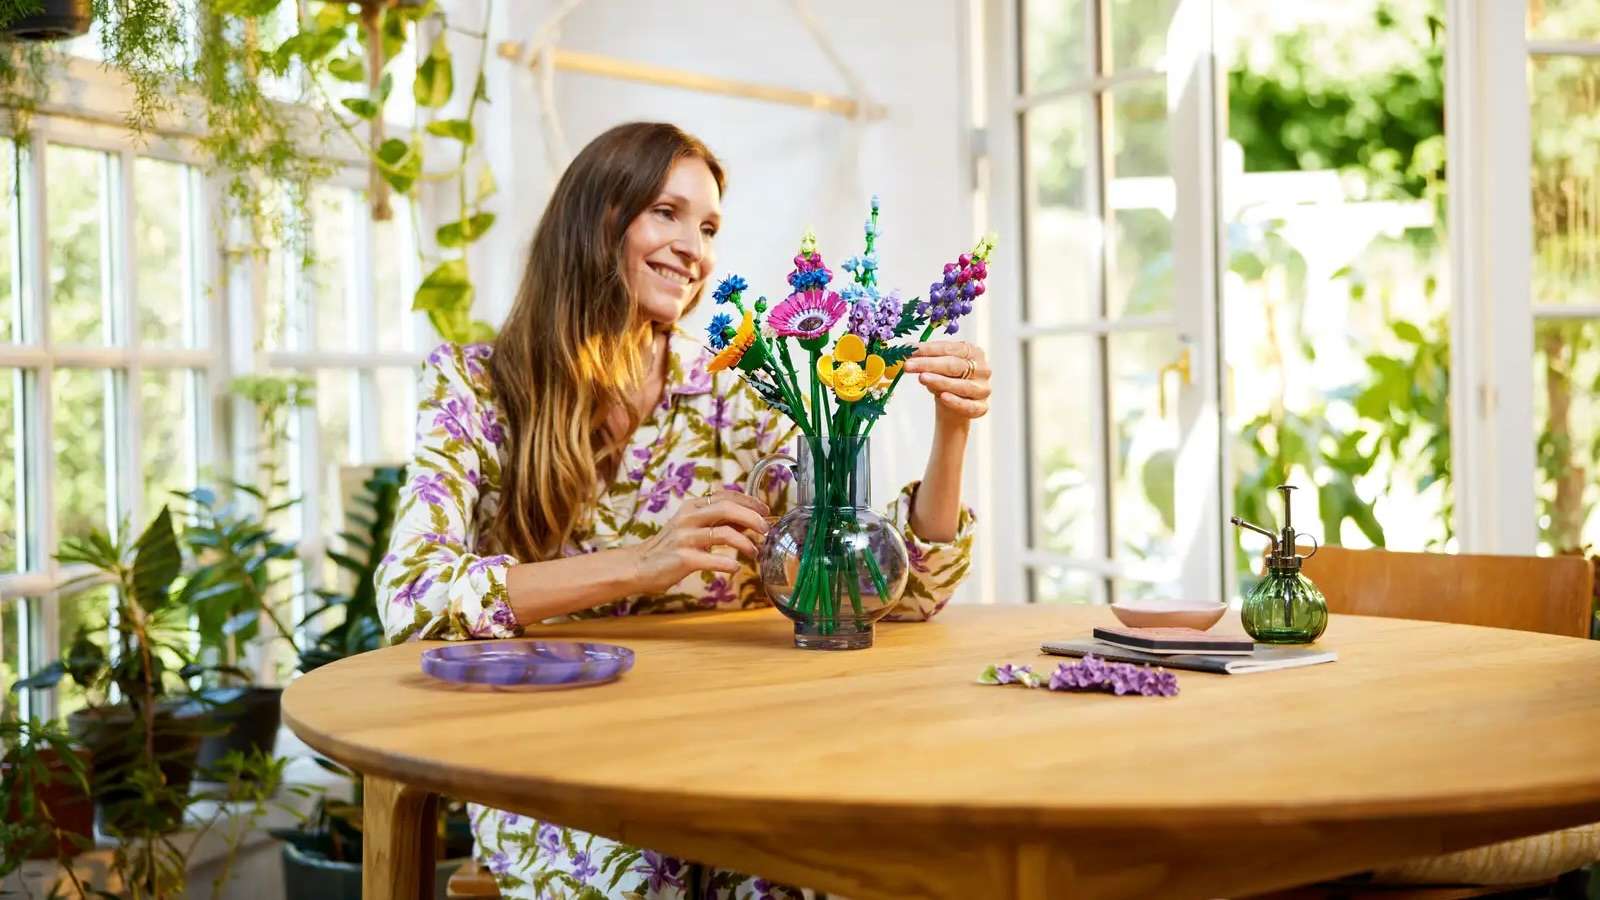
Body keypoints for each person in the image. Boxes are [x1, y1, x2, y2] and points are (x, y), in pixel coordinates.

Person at [376, 121, 992, 900]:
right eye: (666, 213)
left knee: (825, 872)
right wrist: (640, 564)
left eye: (707, 227)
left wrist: (953, 432)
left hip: (730, 745)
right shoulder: (476, 387)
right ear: (596, 218)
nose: (694, 248)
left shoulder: (739, 391)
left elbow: (887, 591)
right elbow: (412, 597)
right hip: (549, 758)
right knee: (643, 879)